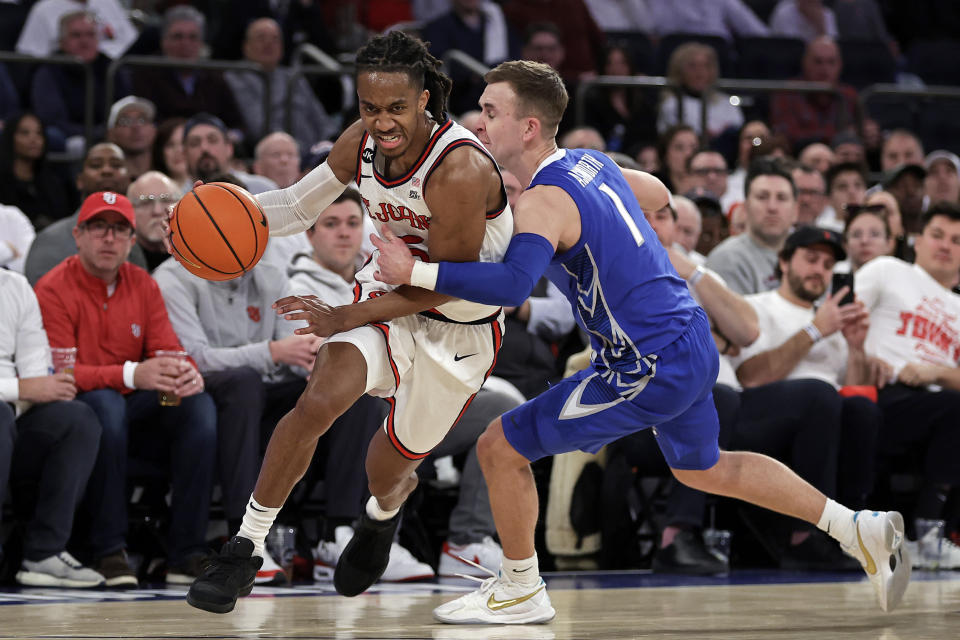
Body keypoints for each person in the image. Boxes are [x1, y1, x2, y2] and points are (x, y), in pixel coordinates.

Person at [372, 59, 910, 622]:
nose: (479, 124)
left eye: (490, 112)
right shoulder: (589, 163)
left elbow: (510, 285)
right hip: (689, 336)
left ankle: (521, 589)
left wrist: (415, 272)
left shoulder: (544, 202)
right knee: (704, 468)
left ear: (528, 128)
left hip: (646, 361)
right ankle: (856, 527)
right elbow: (655, 194)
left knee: (499, 446)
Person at [185, 31, 513, 613]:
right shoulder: (360, 142)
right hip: (388, 289)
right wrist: (209, 217)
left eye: (395, 108)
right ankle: (245, 548)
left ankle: (382, 516)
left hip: (457, 319)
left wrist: (345, 313)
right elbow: (293, 207)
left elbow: (442, 284)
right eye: (369, 107)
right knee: (317, 402)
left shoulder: (459, 168)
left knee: (386, 468)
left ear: (425, 100)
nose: (381, 121)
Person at [35, 191, 217, 587]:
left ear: (132, 242)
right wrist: (132, 375)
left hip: (141, 407)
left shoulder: (143, 284)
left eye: (119, 230)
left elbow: (167, 350)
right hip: (81, 413)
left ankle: (186, 552)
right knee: (104, 405)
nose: (109, 239)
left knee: (194, 405)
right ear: (77, 235)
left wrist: (186, 373)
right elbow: (61, 375)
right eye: (98, 228)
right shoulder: (52, 289)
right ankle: (108, 549)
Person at [856, 202, 960, 568]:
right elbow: (840, 319)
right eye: (937, 235)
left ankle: (938, 533)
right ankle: (930, 533)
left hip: (939, 400)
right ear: (917, 241)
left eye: (956, 240)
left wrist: (937, 373)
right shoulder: (888, 270)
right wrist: (862, 358)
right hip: (883, 392)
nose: (946, 245)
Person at [0, 269, 104, 588]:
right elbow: (29, 384)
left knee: (77, 418)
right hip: (7, 407)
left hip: (14, 415)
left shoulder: (15, 286)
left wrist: (26, 389)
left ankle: (44, 553)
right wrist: (20, 389)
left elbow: (36, 371)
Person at [23, 142, 147, 286]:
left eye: (116, 165)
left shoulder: (136, 242)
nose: (107, 170)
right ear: (79, 181)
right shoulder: (50, 241)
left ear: (129, 180)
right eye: (96, 165)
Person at [224, 17, 339, 150]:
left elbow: (321, 119)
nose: (269, 43)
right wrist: (295, 149)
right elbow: (258, 127)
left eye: (275, 38)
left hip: (316, 151)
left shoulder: (293, 76)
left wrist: (331, 143)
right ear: (246, 46)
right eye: (261, 37)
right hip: (280, 151)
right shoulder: (235, 77)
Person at [706, 158, 798, 295]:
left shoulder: (809, 257)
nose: (772, 207)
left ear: (795, 211)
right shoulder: (727, 258)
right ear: (745, 207)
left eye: (781, 198)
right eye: (762, 197)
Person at [0, 111, 75, 230]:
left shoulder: (54, 182)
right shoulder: (2, 182)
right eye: (25, 133)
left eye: (39, 133)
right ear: (10, 137)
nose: (34, 139)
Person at [657, 43, 744, 141]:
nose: (700, 73)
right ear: (679, 71)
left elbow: (738, 129)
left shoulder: (726, 102)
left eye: (706, 66)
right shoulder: (671, 104)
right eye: (692, 66)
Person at [106, 97, 157, 181]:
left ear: (154, 130)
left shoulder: (169, 174)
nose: (136, 127)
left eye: (142, 120)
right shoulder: (107, 182)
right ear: (111, 133)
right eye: (125, 121)